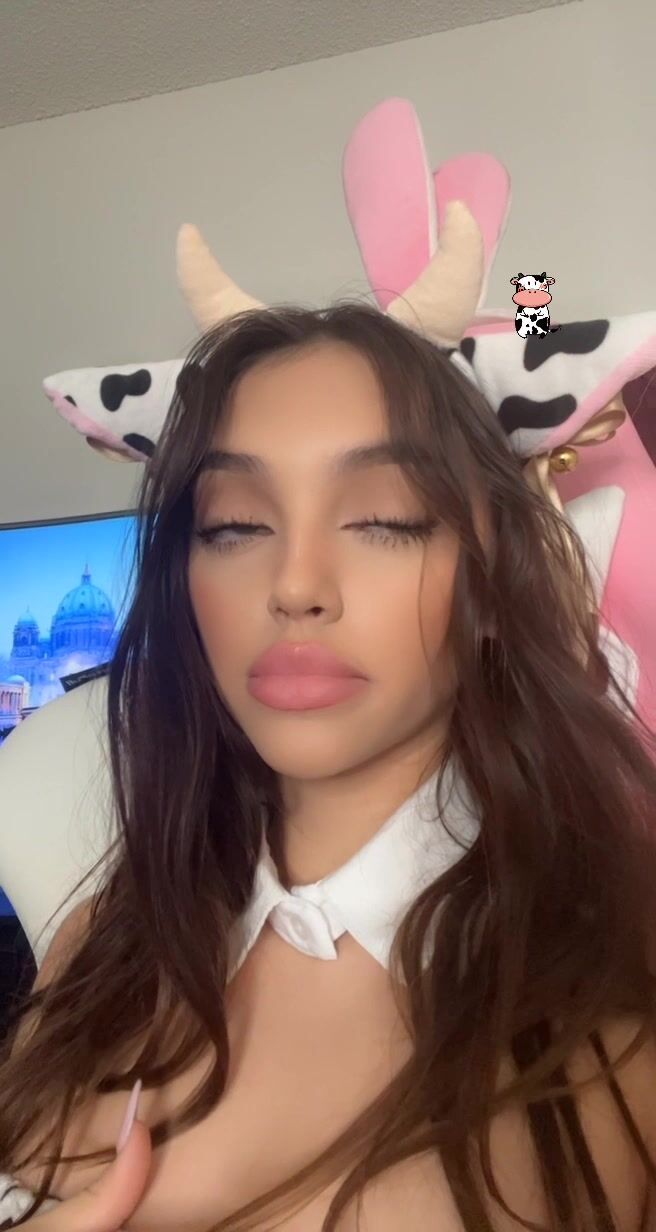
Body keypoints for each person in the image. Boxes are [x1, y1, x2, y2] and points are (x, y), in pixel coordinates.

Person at [1, 301, 656, 1232]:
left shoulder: (616, 1016)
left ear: (501, 574)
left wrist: (530, 299)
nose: (295, 585)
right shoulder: (103, 938)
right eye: (233, 526)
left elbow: (534, 298)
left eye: (386, 518)